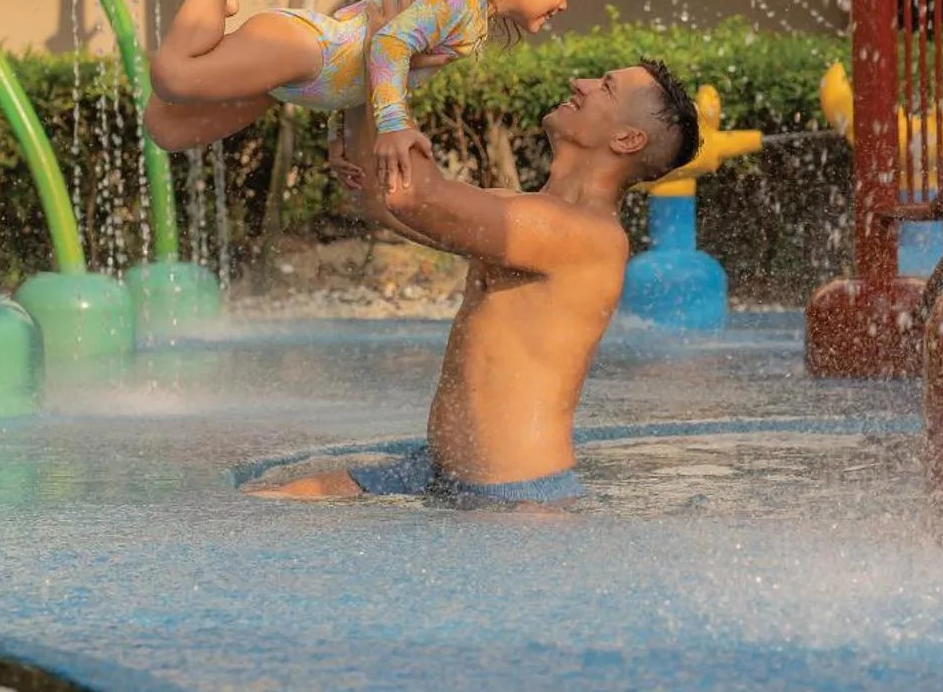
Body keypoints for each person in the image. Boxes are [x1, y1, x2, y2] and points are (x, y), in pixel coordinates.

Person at [244, 59, 702, 510]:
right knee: (254, 505)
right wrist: (360, 113)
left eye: (605, 87)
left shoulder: (587, 234)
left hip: (515, 498)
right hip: (434, 470)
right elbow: (389, 202)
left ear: (627, 139)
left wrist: (386, 54)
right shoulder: (522, 211)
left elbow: (417, 197)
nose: (579, 83)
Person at [144, 0, 589, 191]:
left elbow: (366, 71)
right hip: (304, 49)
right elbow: (388, 44)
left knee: (166, 128)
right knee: (172, 76)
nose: (566, 3)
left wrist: (338, 138)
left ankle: (213, 20)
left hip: (300, 78)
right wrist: (396, 125)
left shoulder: (468, 14)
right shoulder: (460, 5)